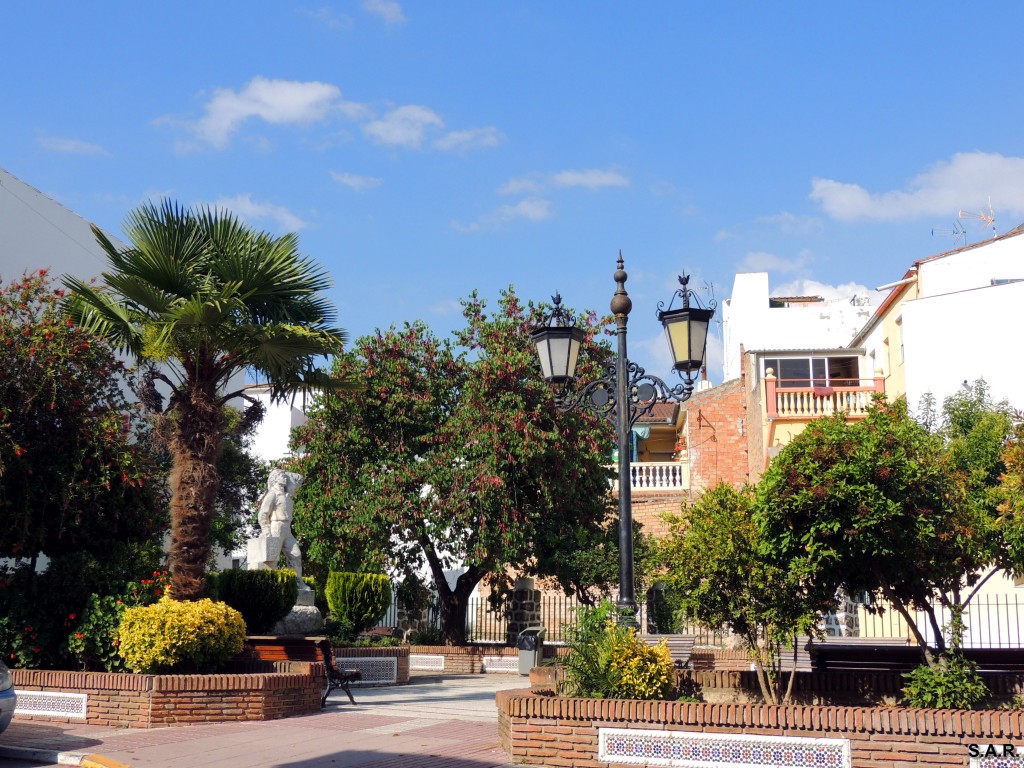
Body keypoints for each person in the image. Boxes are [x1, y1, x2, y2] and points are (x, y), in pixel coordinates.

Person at [256, 469, 308, 589]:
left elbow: (299, 478)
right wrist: (266, 531)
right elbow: (263, 514)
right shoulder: (272, 494)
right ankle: (267, 585)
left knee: (296, 555)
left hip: (287, 529)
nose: (285, 478)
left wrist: (288, 476)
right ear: (275, 479)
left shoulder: (287, 494)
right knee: (272, 559)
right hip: (276, 527)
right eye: (282, 476)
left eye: (285, 476)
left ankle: (297, 582)